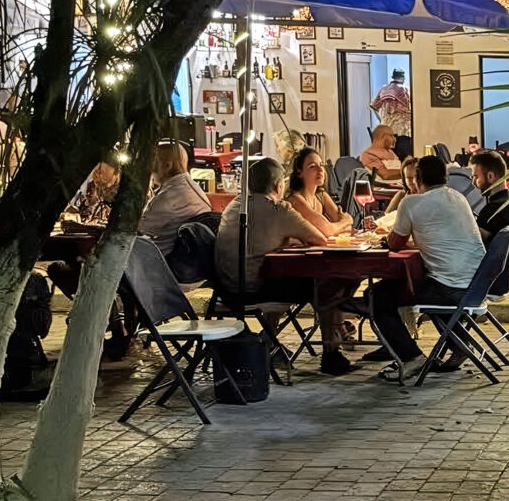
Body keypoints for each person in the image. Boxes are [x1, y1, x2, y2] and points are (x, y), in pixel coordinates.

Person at [214, 157, 357, 375]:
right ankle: (332, 352)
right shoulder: (279, 209)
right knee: (327, 282)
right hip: (256, 288)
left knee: (303, 279)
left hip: (226, 287)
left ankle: (271, 342)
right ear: (278, 185)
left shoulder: (235, 205)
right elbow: (319, 238)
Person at [370, 155, 486, 380]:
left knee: (378, 295)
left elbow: (395, 243)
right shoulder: (458, 197)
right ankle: (459, 344)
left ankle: (411, 357)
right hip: (476, 283)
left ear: (419, 179)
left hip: (449, 287)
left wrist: (384, 240)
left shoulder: (412, 202)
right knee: (428, 283)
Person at [48, 155, 129, 359]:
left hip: (117, 252)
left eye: (103, 170)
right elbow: (72, 210)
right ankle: (98, 314)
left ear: (115, 170)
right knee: (67, 268)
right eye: (96, 170)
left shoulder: (124, 189)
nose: (98, 175)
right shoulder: (89, 187)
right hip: (88, 245)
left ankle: (97, 316)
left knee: (91, 270)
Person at [139, 141, 211, 257]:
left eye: (153, 163)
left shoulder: (168, 197)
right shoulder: (192, 187)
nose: (150, 169)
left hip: (163, 260)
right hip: (188, 256)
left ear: (167, 166)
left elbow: (137, 227)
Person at [286, 147, 353, 237]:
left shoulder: (321, 196)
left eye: (321, 165)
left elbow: (348, 229)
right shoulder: (295, 201)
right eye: (312, 166)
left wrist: (338, 226)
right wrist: (346, 220)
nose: (320, 170)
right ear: (299, 173)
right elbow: (328, 230)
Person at [469, 150, 509, 243]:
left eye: (476, 177)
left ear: (491, 176)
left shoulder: (493, 211)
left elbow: (474, 243)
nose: (473, 182)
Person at [370, 69, 412, 159]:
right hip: (402, 131)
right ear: (403, 77)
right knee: (404, 159)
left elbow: (373, 106)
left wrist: (381, 119)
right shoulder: (406, 90)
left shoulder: (383, 89)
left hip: (386, 131)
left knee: (389, 158)